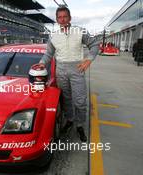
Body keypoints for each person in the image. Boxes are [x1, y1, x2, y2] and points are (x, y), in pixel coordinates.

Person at [38, 6, 99, 142]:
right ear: (57, 19)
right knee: (66, 99)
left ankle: (80, 125)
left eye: (65, 16)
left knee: (80, 101)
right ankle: (70, 120)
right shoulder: (53, 36)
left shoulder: (80, 31)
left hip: (77, 69)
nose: (62, 19)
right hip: (61, 70)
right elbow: (48, 54)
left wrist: (88, 60)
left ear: (70, 18)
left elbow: (95, 44)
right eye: (59, 17)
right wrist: (42, 63)